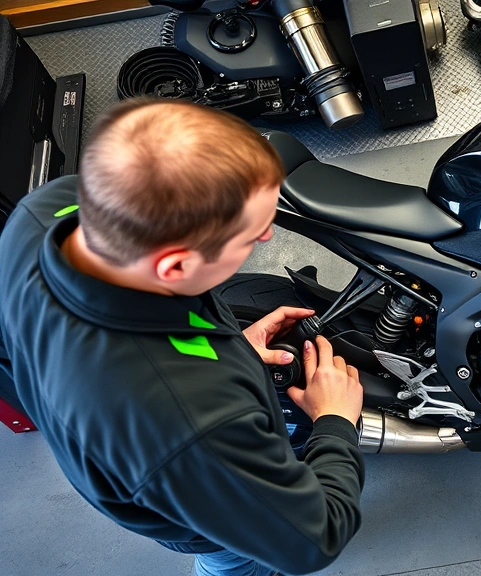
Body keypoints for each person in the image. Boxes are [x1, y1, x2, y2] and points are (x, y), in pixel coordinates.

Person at [0, 98, 365, 576]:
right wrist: (335, 422)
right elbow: (315, 540)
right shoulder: (189, 424)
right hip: (197, 513)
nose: (266, 238)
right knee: (234, 560)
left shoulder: (44, 212)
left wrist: (229, 348)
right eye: (251, 234)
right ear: (174, 266)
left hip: (122, 451)